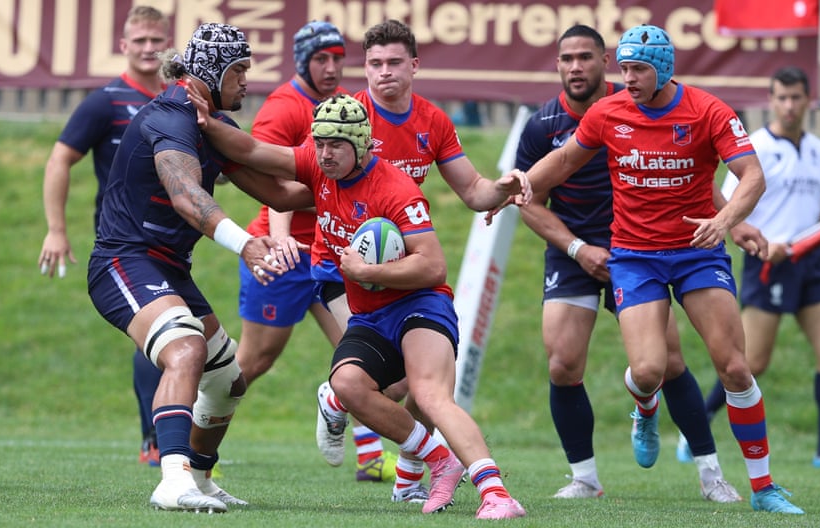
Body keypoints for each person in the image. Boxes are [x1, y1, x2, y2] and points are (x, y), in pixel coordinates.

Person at [506, 24, 805, 514]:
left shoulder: (708, 111)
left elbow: (752, 176)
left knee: (734, 366)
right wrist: (514, 189)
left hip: (697, 251)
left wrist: (725, 221)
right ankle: (644, 406)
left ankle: (764, 487)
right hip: (635, 257)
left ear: (664, 69)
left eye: (639, 69)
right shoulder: (608, 112)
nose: (628, 78)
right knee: (648, 371)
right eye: (624, 68)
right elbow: (560, 163)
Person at [189, 91, 528, 519]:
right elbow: (254, 151)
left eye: (336, 145)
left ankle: (496, 494)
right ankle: (440, 460)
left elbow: (433, 266)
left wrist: (369, 270)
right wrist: (207, 123)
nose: (325, 154)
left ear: (362, 144)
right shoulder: (319, 164)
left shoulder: (396, 190)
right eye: (320, 143)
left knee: (428, 394)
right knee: (348, 383)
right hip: (368, 313)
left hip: (419, 304)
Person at [310, 19, 532, 503]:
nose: (384, 72)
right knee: (380, 382)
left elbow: (473, 190)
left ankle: (411, 477)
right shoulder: (348, 117)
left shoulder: (432, 121)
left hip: (397, 264)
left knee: (416, 386)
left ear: (414, 65)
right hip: (340, 267)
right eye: (374, 64)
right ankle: (340, 396)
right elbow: (294, 174)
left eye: (394, 62)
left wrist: (503, 188)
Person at [86, 22, 293, 512]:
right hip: (124, 259)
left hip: (168, 267)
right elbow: (185, 196)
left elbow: (281, 193)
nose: (247, 81)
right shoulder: (170, 116)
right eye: (239, 70)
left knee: (228, 380)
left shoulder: (212, 125)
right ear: (212, 71)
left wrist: (355, 178)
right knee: (186, 348)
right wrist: (246, 244)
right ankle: (172, 479)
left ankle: (198, 479)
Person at [234, 20, 397, 483]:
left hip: (331, 253)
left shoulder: (345, 108)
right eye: (321, 59)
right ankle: (192, 443)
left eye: (337, 59)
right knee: (254, 361)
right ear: (302, 61)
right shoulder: (282, 108)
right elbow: (274, 186)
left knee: (370, 360)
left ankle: (369, 457)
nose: (331, 68)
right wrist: (281, 239)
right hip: (281, 255)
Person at [701, 66, 820, 470]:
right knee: (751, 362)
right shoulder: (754, 146)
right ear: (772, 101)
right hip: (767, 262)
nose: (789, 106)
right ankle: (698, 428)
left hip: (813, 263)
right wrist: (760, 243)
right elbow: (725, 206)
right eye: (782, 98)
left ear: (808, 101)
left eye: (796, 98)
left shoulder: (819, 150)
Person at [37, 5, 170, 466]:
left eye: (157, 40)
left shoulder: (177, 100)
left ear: (167, 43)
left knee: (184, 337)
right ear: (124, 45)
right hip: (125, 243)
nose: (149, 48)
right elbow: (59, 160)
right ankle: (156, 441)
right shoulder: (105, 102)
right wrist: (56, 230)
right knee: (160, 332)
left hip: (174, 240)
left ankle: (174, 438)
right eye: (141, 41)